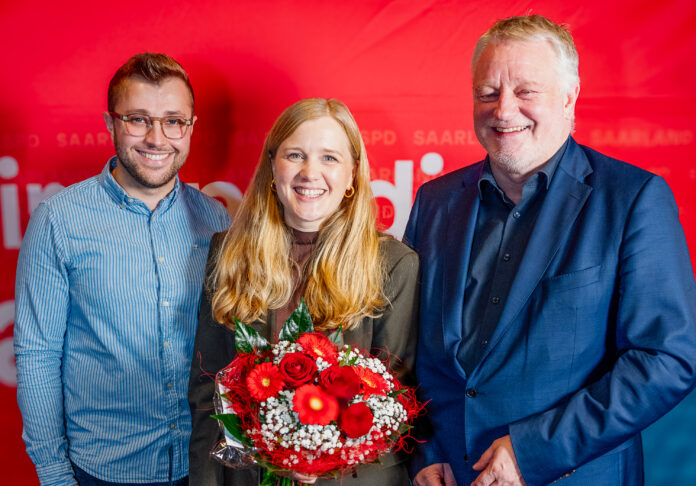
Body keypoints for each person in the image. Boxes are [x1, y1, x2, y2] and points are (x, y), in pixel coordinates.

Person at [405, 14, 696, 486]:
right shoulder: (434, 203)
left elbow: (667, 359)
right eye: (487, 93)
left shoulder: (632, 198)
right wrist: (425, 448)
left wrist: (533, 451)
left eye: (525, 92)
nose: (503, 110)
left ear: (568, 97)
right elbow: (412, 349)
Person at [14, 53, 230, 485]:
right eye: (138, 119)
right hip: (102, 472)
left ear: (190, 128)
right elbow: (37, 355)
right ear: (111, 123)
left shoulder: (217, 221)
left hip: (203, 465)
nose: (156, 138)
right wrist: (55, 475)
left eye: (173, 121)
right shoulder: (59, 220)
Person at [188, 98, 419, 486]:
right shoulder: (227, 253)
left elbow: (396, 404)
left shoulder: (393, 264)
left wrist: (323, 459)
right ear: (272, 167)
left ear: (352, 175)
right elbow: (205, 394)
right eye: (295, 155)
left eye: (329, 158)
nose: (310, 172)